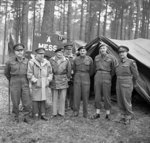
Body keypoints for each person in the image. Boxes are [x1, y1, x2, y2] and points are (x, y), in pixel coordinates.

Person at [4, 43, 32, 122]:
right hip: (14, 81)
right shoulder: (10, 62)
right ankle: (15, 116)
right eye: (17, 50)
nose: (19, 52)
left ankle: (26, 117)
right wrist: (12, 80)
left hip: (25, 81)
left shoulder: (27, 61)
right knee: (15, 100)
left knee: (26, 100)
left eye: (21, 50)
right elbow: (6, 73)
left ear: (23, 51)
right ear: (14, 52)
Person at [91, 43, 118, 120]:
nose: (102, 49)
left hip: (107, 75)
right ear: (99, 49)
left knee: (107, 95)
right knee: (97, 95)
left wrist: (109, 75)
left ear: (107, 49)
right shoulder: (96, 57)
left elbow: (113, 69)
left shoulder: (111, 57)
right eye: (101, 48)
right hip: (98, 75)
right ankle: (97, 113)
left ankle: (107, 114)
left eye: (104, 48)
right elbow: (94, 67)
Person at [27, 47, 53, 121]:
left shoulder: (47, 62)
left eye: (43, 54)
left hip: (45, 83)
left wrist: (48, 80)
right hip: (36, 83)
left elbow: (50, 73)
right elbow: (29, 74)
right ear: (36, 54)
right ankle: (35, 114)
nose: (42, 55)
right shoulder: (31, 62)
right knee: (35, 99)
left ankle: (43, 114)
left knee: (43, 98)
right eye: (40, 54)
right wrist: (35, 81)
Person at [116, 46, 139, 124]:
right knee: (120, 99)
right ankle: (122, 115)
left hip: (127, 81)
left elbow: (136, 75)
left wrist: (134, 83)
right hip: (118, 82)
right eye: (120, 52)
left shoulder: (131, 62)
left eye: (123, 52)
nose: (121, 54)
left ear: (127, 53)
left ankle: (128, 116)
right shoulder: (118, 62)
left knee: (126, 100)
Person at [72, 46, 93, 118]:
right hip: (77, 76)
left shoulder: (89, 59)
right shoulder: (76, 59)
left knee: (85, 95)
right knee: (76, 95)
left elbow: (92, 69)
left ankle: (85, 113)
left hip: (86, 76)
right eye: (81, 51)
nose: (82, 52)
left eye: (84, 50)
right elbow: (74, 69)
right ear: (79, 52)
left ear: (86, 52)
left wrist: (86, 75)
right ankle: (76, 111)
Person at [50, 48, 71, 117]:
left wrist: (67, 78)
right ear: (55, 53)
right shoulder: (51, 60)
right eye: (58, 52)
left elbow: (69, 70)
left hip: (63, 79)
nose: (59, 54)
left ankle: (61, 112)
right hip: (54, 79)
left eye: (61, 53)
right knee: (54, 97)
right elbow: (49, 69)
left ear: (63, 53)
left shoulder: (66, 60)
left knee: (62, 97)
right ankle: (54, 112)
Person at [64, 43, 75, 110]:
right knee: (64, 92)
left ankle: (72, 105)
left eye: (70, 49)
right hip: (64, 77)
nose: (69, 51)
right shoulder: (63, 57)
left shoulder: (74, 57)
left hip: (72, 77)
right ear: (65, 50)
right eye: (67, 49)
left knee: (72, 92)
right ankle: (65, 106)